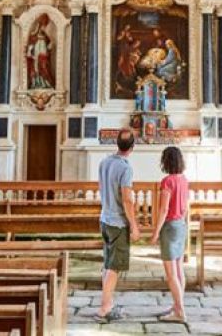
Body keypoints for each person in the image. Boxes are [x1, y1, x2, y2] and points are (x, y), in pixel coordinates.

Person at [96, 129, 141, 322]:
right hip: (117, 223)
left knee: (108, 264)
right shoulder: (125, 168)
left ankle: (109, 303)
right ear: (132, 147)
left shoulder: (104, 162)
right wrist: (134, 225)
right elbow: (127, 199)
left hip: (105, 218)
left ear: (117, 144)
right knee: (114, 267)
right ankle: (104, 309)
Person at [150, 146, 189, 323]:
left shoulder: (167, 182)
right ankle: (177, 304)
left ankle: (179, 311)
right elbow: (186, 206)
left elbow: (164, 209)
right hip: (181, 224)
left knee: (171, 273)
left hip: (170, 226)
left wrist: (156, 232)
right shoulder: (184, 180)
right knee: (179, 269)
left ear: (166, 161)